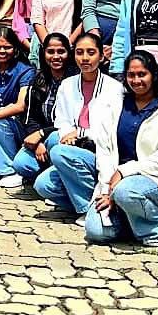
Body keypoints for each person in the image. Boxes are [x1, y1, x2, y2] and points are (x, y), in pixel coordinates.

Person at [83, 50, 158, 248]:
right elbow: (105, 151)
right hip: (115, 183)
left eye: (142, 74)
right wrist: (107, 191)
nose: (136, 80)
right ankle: (133, 222)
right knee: (95, 231)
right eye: (131, 75)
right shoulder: (116, 105)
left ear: (154, 75)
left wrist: (124, 172)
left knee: (126, 192)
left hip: (156, 180)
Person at [34, 33, 125, 224]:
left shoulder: (114, 88)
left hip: (100, 151)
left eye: (91, 53)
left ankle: (87, 208)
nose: (85, 58)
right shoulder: (67, 85)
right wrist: (68, 133)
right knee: (43, 186)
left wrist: (81, 133)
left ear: (101, 56)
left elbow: (111, 128)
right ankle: (88, 201)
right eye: (80, 52)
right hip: (73, 147)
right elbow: (61, 119)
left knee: (58, 152)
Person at [0, 32, 71, 190]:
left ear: (68, 53)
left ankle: (61, 184)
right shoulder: (39, 79)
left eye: (61, 52)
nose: (56, 56)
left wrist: (42, 134)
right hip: (41, 139)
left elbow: (73, 121)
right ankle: (45, 176)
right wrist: (37, 142)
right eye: (50, 52)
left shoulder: (76, 80)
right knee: (21, 164)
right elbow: (30, 116)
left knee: (56, 138)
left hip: (64, 138)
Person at [0, 27, 36, 183]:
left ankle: (9, 171)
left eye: (7, 47)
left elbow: (20, 105)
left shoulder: (25, 71)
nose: (2, 51)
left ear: (15, 48)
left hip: (20, 126)